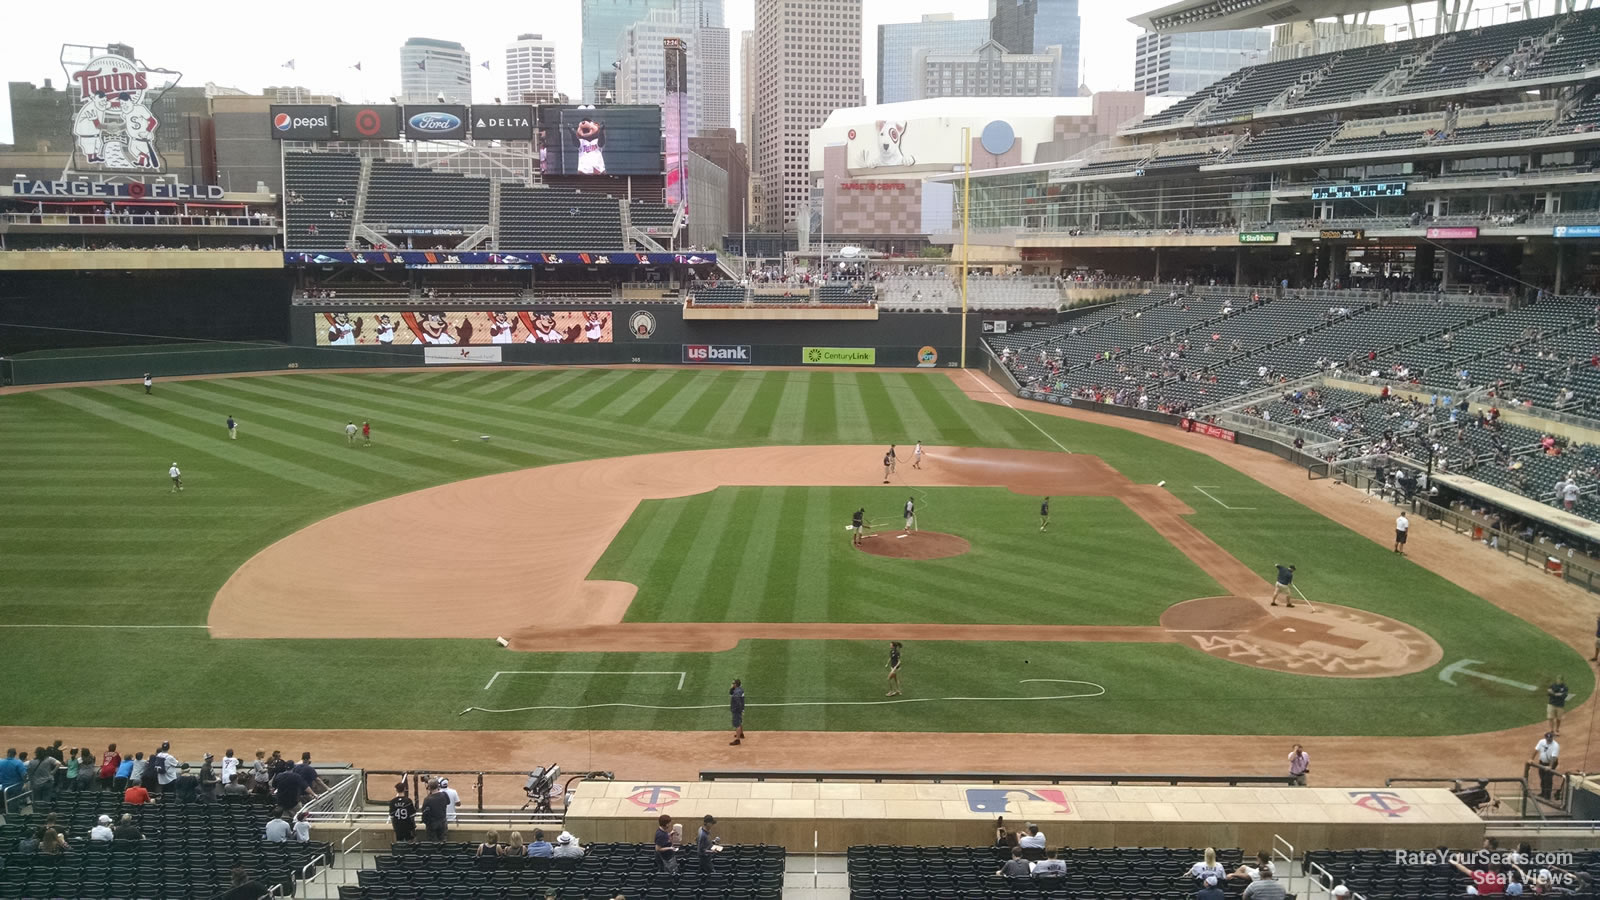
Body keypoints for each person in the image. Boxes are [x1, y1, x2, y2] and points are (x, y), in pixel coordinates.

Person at [1533, 731, 1561, 801]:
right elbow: (1536, 750)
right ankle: (1543, 793)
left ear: (1552, 738)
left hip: (1551, 763)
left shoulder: (1555, 745)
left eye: (1550, 738)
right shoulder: (1541, 742)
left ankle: (1547, 796)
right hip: (1542, 762)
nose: (1549, 740)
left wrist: (1550, 766)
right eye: (1548, 738)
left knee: (1547, 778)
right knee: (1542, 777)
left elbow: (1554, 757)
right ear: (1545, 738)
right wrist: (1531, 759)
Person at [729, 679, 746, 745]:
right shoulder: (740, 689)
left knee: (737, 724)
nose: (732, 684)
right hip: (740, 709)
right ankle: (741, 734)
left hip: (737, 710)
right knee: (740, 721)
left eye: (733, 684)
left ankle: (737, 740)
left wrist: (738, 709)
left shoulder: (736, 692)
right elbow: (730, 692)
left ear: (735, 684)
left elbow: (737, 701)